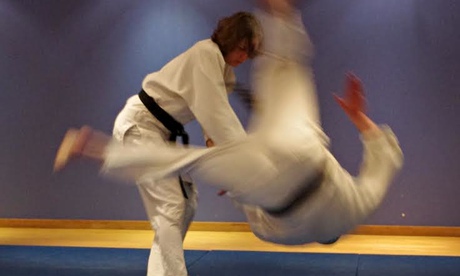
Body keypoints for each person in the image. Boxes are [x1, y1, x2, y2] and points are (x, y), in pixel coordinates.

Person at [54, 1, 403, 247]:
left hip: (306, 156)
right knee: (186, 161)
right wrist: (236, 183)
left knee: (290, 69)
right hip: (271, 184)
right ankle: (93, 148)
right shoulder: (281, 235)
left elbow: (384, 163)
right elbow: (252, 204)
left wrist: (359, 119)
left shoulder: (352, 211)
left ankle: (278, 9)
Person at [55, 11, 263, 276]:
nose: (244, 57)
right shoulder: (205, 55)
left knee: (185, 204)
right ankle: (89, 147)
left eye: (249, 53)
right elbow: (217, 115)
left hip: (157, 132)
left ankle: (89, 146)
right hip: (140, 124)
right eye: (242, 48)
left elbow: (211, 121)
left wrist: (227, 171)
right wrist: (244, 166)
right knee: (172, 205)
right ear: (231, 38)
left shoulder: (221, 71)